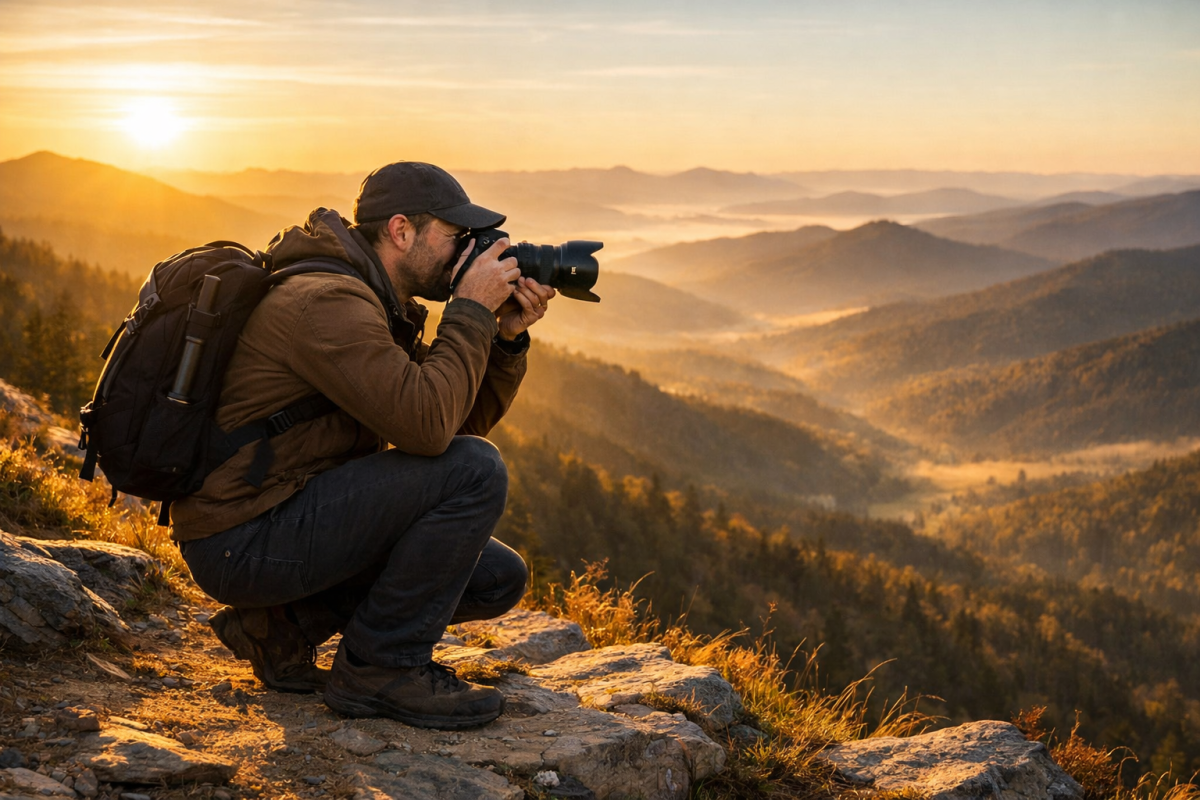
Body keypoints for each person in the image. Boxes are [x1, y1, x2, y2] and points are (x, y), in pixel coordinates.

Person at [170, 162, 555, 730]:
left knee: (494, 576)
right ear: (402, 231)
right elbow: (432, 433)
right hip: (241, 538)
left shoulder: (376, 301)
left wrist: (503, 341)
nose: (466, 255)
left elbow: (450, 428)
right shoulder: (327, 303)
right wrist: (469, 310)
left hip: (281, 513)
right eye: (456, 238)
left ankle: (280, 629)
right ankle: (380, 671)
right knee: (478, 472)